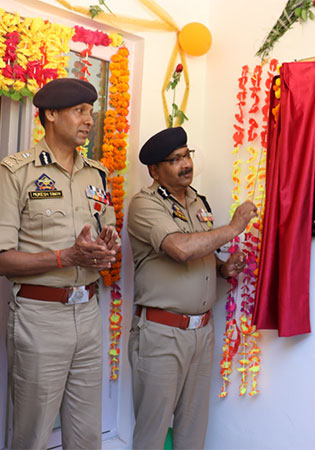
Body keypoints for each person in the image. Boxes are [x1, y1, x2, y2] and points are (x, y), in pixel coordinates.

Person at [0, 78, 119, 449]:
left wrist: (106, 246)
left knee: (86, 433)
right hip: (39, 317)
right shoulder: (16, 172)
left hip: (88, 314)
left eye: (91, 112)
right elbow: (3, 259)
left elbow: (107, 232)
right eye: (80, 111)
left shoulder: (96, 174)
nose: (89, 119)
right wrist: (64, 257)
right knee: (33, 433)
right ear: (50, 115)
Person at [127, 126, 258, 449]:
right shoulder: (144, 205)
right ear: (154, 171)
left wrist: (223, 268)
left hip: (202, 333)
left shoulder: (199, 201)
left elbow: (201, 254)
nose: (185, 164)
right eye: (175, 159)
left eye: (187, 155)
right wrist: (234, 228)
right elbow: (181, 248)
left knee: (193, 429)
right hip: (162, 334)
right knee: (153, 431)